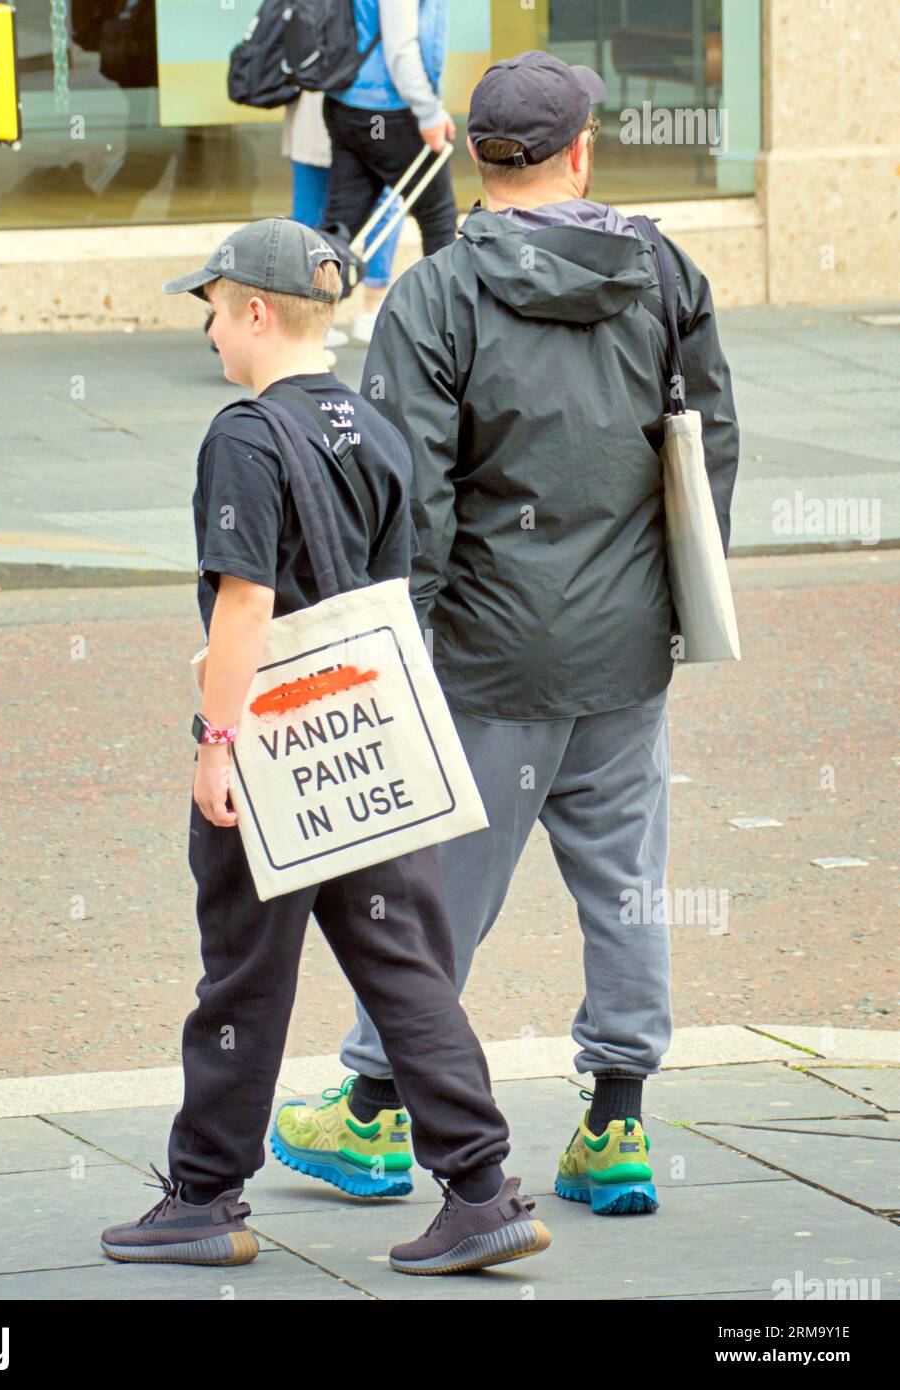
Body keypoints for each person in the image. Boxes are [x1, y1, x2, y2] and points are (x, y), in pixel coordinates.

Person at [278, 51, 740, 1217]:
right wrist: (674, 603)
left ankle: (378, 1114)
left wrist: (401, 648)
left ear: (479, 158)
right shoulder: (662, 268)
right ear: (580, 151)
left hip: (485, 654)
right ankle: (619, 1127)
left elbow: (406, 499)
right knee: (628, 883)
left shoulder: (434, 297)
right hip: (626, 645)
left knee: (436, 892)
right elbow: (706, 446)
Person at [98, 217, 550, 1276]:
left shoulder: (244, 436)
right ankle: (481, 1189)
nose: (209, 332)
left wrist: (218, 742)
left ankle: (205, 1195)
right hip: (368, 730)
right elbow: (394, 583)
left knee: (243, 977)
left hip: (274, 744)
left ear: (256, 311)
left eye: (211, 309)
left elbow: (246, 600)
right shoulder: (376, 427)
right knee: (405, 965)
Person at [320, 0, 456, 342]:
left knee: (341, 224)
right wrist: (428, 111)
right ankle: (451, 331)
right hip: (387, 111)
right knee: (438, 219)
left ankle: (294, 325)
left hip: (346, 103)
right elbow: (401, 48)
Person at [283, 88, 405, 345]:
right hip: (363, 120)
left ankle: (307, 317)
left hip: (309, 120)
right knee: (385, 206)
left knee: (309, 217)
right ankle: (372, 309)